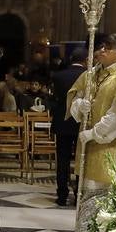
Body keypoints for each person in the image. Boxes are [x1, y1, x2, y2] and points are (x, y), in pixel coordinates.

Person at [68, 34, 116, 227]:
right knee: (85, 187)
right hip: (88, 143)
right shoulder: (90, 75)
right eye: (101, 47)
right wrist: (80, 105)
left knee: (103, 188)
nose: (101, 51)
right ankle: (83, 229)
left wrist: (93, 133)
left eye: (108, 48)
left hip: (110, 143)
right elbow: (75, 97)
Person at [51, 49, 87, 206]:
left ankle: (62, 195)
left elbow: (55, 98)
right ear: (85, 60)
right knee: (81, 158)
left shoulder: (59, 76)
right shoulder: (88, 75)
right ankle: (79, 193)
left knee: (63, 160)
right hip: (81, 122)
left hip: (62, 121)